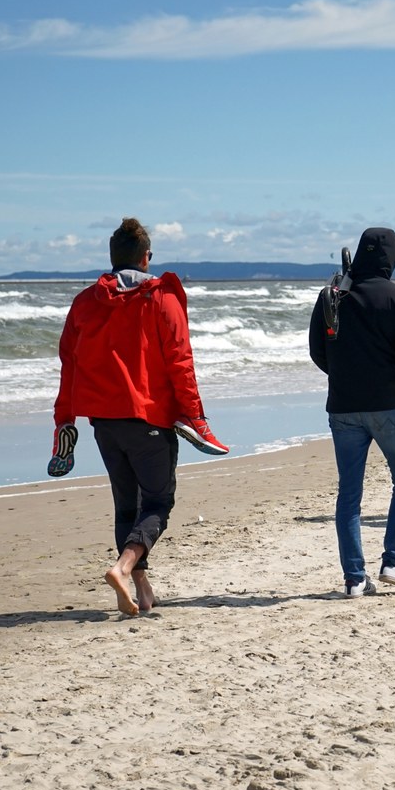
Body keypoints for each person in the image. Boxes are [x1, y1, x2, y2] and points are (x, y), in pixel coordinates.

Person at [52, 217, 227, 617]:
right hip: (149, 419)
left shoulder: (84, 303)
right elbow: (181, 362)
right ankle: (123, 567)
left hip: (104, 423)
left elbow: (69, 364)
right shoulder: (160, 298)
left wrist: (64, 421)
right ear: (146, 258)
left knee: (125, 506)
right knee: (159, 502)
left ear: (113, 258)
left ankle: (140, 590)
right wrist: (195, 417)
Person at [308, 227, 395, 598]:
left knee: (349, 493)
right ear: (391, 258)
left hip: (343, 406)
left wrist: (344, 376)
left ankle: (355, 579)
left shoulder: (333, 295)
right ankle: (394, 561)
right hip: (388, 404)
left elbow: (317, 350)